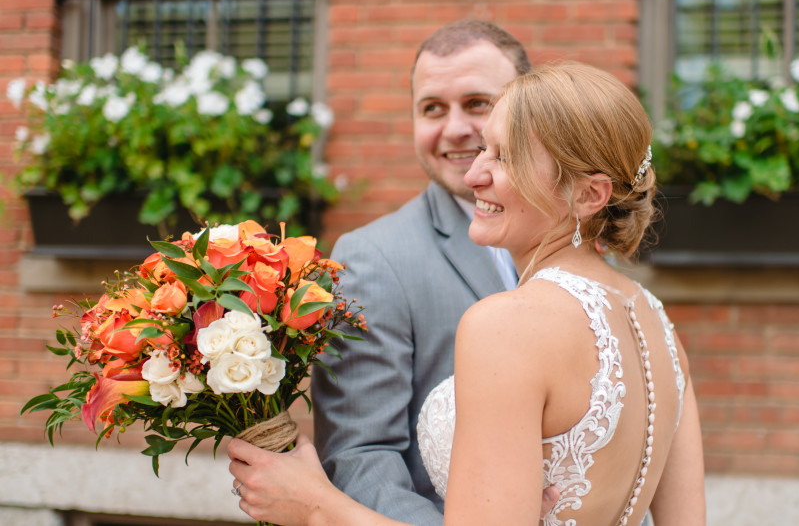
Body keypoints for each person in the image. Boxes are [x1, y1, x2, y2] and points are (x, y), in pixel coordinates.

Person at [228, 62, 706, 525]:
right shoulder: (659, 326)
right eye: (485, 149)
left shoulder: (505, 324)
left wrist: (315, 506)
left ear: (588, 195)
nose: (476, 175)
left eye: (506, 158)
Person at [315, 19, 545, 524]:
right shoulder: (372, 257)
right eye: (432, 109)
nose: (456, 128)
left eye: (478, 103)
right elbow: (359, 457)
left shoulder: (585, 242)